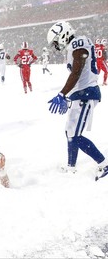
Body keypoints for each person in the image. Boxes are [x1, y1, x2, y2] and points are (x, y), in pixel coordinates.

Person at [46, 21, 107, 178]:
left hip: (87, 93)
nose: (56, 46)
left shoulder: (78, 44)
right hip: (80, 93)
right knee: (70, 131)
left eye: (56, 41)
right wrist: (69, 95)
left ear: (63, 34)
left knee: (75, 134)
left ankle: (104, 164)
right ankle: (71, 166)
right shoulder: (73, 46)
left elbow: (77, 72)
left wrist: (62, 94)